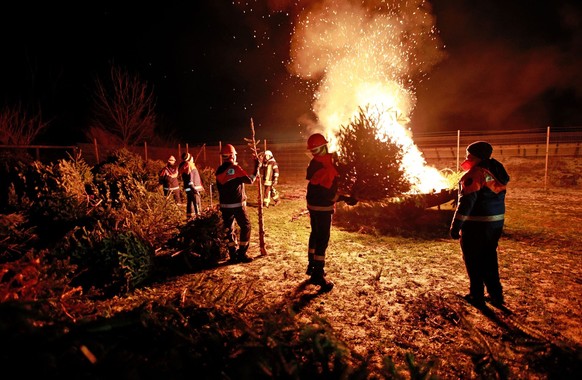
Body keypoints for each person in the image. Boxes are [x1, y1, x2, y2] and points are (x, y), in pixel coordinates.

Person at [450, 141, 510, 308]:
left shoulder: (475, 174)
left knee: (473, 260)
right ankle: (496, 295)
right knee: (489, 258)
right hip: (495, 223)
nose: (466, 157)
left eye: (469, 155)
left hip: (476, 225)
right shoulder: (496, 170)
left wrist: (456, 226)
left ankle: (476, 296)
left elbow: (466, 203)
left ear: (476, 157)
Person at [305, 133, 357, 292]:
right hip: (322, 207)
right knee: (322, 239)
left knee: (315, 234)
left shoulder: (315, 163)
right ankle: (318, 275)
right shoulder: (325, 168)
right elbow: (328, 194)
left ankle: (311, 266)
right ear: (322, 148)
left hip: (313, 205)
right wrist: (345, 198)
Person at [215, 143, 260, 263]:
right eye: (234, 155)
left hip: (225, 206)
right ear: (231, 156)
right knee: (246, 227)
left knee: (229, 229)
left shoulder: (219, 170)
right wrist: (256, 167)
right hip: (238, 205)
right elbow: (250, 179)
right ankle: (242, 254)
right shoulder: (234, 168)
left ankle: (233, 255)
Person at [179, 152, 205, 219]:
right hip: (194, 189)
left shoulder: (184, 166)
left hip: (188, 188)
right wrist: (195, 190)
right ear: (190, 158)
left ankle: (189, 217)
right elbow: (191, 181)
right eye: (191, 157)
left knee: (190, 203)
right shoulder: (190, 166)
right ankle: (198, 218)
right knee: (196, 203)